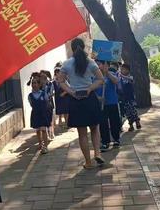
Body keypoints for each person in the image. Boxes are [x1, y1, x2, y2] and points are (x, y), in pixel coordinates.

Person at [58, 37, 105, 169]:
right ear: (83, 47)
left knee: (82, 133)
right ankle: (97, 153)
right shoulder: (90, 62)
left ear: (72, 49)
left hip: (75, 100)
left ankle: (88, 162)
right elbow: (100, 79)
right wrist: (90, 88)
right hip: (90, 98)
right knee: (95, 128)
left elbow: (60, 81)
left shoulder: (66, 64)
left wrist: (71, 91)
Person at [96, 61, 121, 151]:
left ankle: (116, 139)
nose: (99, 66)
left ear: (107, 65)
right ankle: (105, 141)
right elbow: (91, 89)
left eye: (100, 64)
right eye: (97, 64)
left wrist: (107, 73)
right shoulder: (94, 76)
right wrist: (98, 97)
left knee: (114, 121)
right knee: (103, 123)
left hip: (112, 102)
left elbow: (116, 81)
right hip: (101, 104)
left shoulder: (112, 74)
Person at [28, 76, 52, 154]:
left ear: (39, 84)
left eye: (35, 83)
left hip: (43, 114)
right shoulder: (30, 96)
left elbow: (47, 103)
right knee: (38, 130)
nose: (34, 85)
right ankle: (40, 143)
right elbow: (31, 104)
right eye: (33, 83)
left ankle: (45, 146)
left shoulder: (43, 93)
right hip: (35, 114)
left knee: (43, 129)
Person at [118, 63, 141, 131]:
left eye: (124, 69)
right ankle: (131, 125)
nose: (122, 70)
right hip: (124, 98)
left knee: (133, 110)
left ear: (128, 70)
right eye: (121, 69)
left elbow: (130, 80)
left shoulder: (130, 77)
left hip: (131, 98)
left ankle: (137, 122)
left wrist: (121, 75)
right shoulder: (120, 79)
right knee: (127, 112)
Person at [39, 70, 55, 140]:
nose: (41, 78)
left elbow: (52, 93)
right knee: (44, 120)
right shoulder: (38, 85)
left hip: (49, 104)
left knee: (50, 119)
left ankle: (51, 133)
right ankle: (47, 135)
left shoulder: (50, 84)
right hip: (41, 105)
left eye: (43, 76)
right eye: (41, 77)